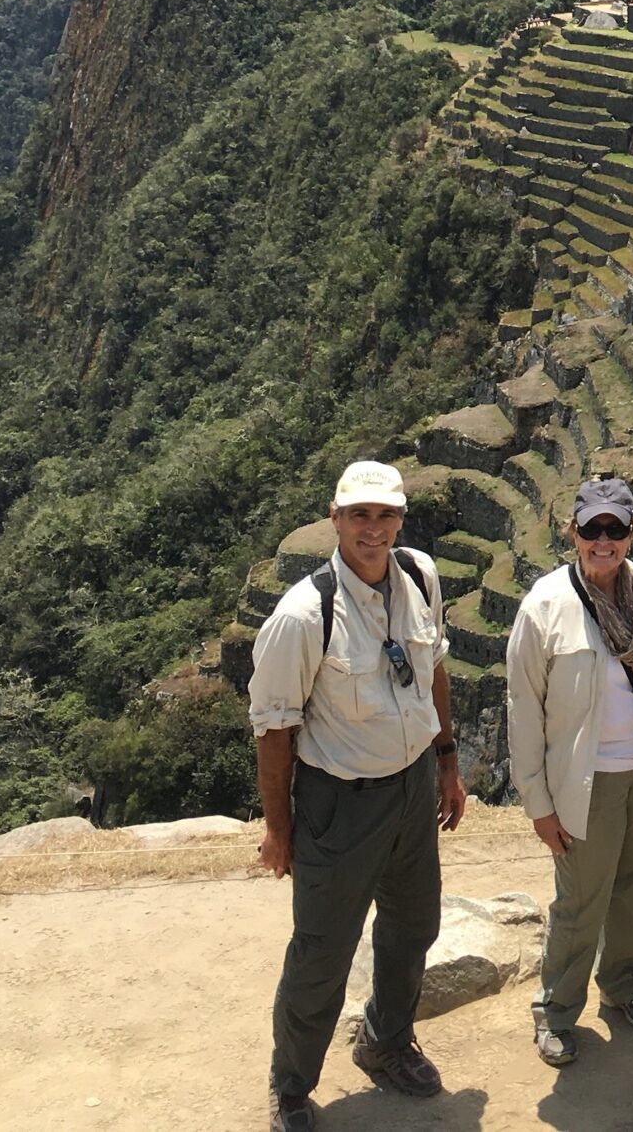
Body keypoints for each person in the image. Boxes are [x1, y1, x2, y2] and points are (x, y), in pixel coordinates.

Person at [248, 462, 468, 1132]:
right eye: (360, 515)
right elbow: (274, 729)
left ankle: (386, 1040)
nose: (374, 528)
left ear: (401, 519)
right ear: (336, 519)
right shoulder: (304, 615)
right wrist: (279, 829)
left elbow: (433, 669)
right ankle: (291, 1084)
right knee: (323, 950)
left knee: (414, 925)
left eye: (386, 515)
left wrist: (447, 761)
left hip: (412, 786)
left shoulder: (420, 575)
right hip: (338, 801)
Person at [505, 477, 633, 1067]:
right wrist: (538, 804)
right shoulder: (546, 606)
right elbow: (523, 709)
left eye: (615, 528)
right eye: (591, 529)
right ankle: (556, 1009)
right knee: (581, 900)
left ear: (632, 533)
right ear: (573, 533)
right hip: (584, 782)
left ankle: (624, 984)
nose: (602, 540)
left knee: (629, 888)